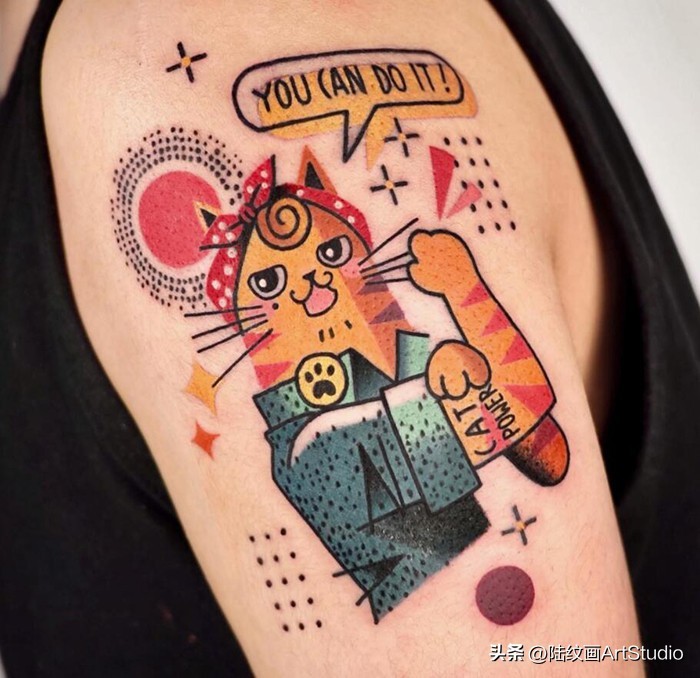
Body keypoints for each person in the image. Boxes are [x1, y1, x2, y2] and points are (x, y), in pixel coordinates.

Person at [1, 1, 698, 675]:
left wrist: (466, 298)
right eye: (269, 283)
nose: (311, 284)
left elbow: (538, 452)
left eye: (331, 255)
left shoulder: (169, 59)